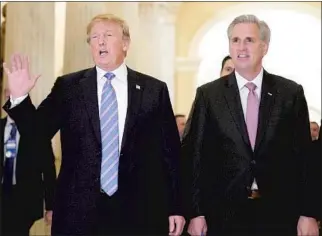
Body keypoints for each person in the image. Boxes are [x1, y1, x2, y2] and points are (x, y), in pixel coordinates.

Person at [2, 14, 185, 235]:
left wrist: (176, 207)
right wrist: (20, 99)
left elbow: (170, 154)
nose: (100, 41)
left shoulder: (153, 90)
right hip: (78, 214)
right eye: (94, 37)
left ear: (125, 44)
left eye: (108, 35)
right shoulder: (69, 87)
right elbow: (37, 134)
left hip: (138, 213)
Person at [183, 14, 319, 236]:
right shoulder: (209, 95)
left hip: (279, 214)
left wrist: (308, 212)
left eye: (249, 40)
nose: (241, 47)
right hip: (222, 214)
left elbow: (304, 157)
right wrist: (195, 212)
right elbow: (194, 156)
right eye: (235, 40)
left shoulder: (290, 93)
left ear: (264, 47)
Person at [1, 88, 56, 236]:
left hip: (24, 199)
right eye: (8, 97)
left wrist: (51, 206)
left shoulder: (37, 131)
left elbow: (49, 169)